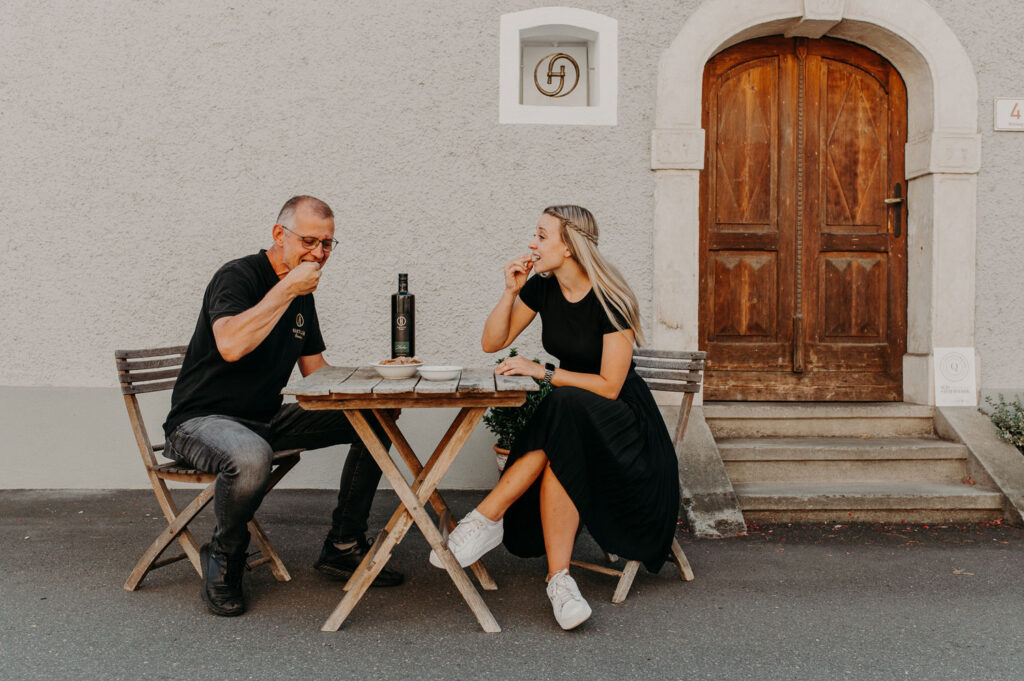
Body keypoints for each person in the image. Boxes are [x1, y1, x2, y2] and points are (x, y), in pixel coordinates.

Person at [429, 205, 680, 630]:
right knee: (564, 427)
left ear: (568, 246)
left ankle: (487, 518)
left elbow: (610, 387)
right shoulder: (542, 289)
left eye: (542, 236)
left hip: (626, 427)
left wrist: (542, 371)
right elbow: (493, 342)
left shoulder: (610, 299)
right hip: (576, 421)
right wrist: (510, 291)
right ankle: (559, 580)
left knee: (562, 404)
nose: (533, 243)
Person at [163, 195, 403, 617]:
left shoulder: (302, 294)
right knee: (252, 455)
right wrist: (285, 289)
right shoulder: (238, 276)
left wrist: (376, 385)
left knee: (374, 420)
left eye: (328, 244)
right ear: (279, 235)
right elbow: (232, 345)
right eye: (310, 241)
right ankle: (225, 554)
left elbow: (316, 373)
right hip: (201, 422)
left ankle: (343, 545)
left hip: (265, 418)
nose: (320, 254)